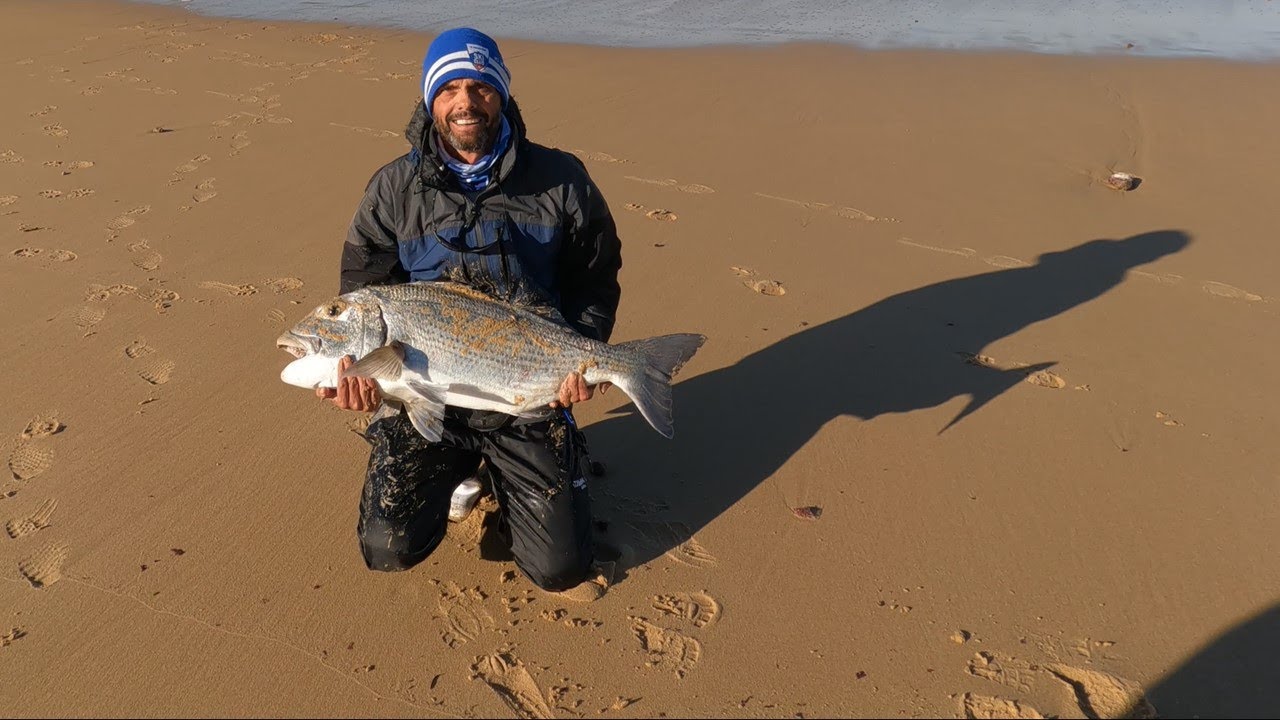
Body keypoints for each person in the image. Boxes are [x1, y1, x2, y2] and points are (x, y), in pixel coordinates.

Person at [318, 28, 622, 597]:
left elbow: (594, 277)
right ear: (430, 99)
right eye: (450, 88)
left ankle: (538, 459)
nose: (465, 101)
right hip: (425, 400)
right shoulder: (392, 189)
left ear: (500, 93)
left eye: (479, 86)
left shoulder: (562, 180)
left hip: (527, 394)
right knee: (388, 548)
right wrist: (368, 384)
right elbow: (365, 290)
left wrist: (583, 352)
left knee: (559, 569)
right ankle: (466, 471)